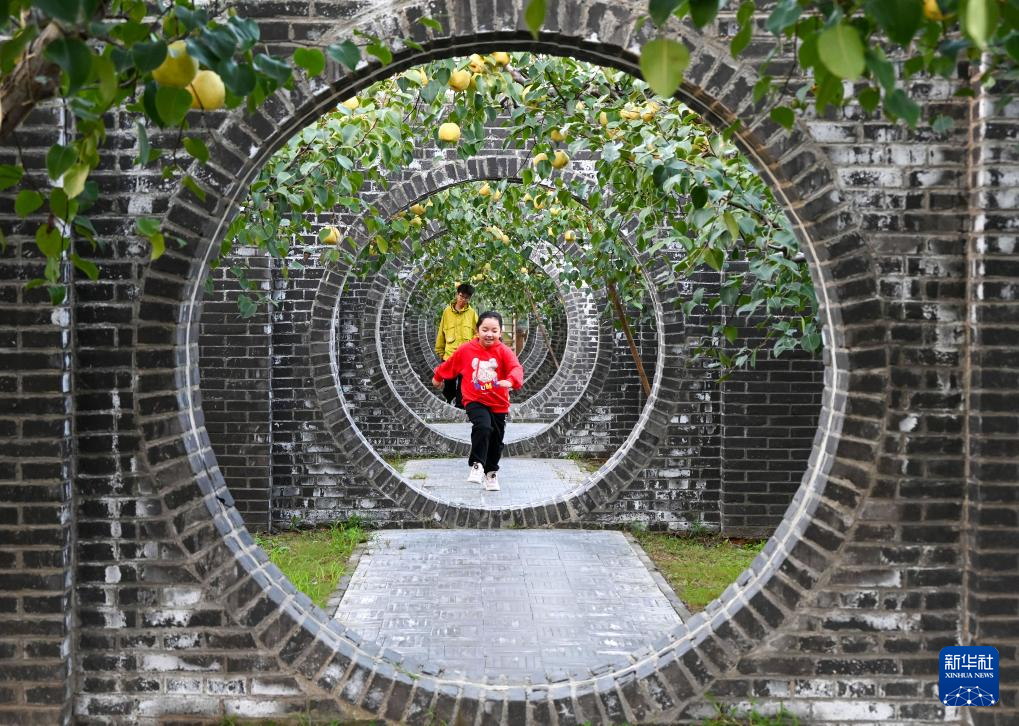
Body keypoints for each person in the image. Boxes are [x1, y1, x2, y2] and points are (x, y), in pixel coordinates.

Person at [432, 311, 523, 491]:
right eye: (485, 329)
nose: (489, 334)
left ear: (500, 332)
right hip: (475, 399)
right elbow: (450, 364)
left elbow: (516, 368)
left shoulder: (504, 351)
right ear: (477, 330)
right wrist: (438, 376)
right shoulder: (466, 349)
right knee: (483, 426)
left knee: (496, 440)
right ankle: (477, 465)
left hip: (498, 402)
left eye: (494, 330)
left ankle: (490, 474)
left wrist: (511, 380)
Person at [434, 282, 478, 409]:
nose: (463, 300)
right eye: (461, 296)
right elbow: (441, 332)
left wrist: (471, 347)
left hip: (466, 357)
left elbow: (478, 333)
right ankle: (448, 405)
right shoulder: (447, 312)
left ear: (469, 299)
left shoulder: (472, 313)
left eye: (466, 298)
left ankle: (460, 409)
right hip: (449, 356)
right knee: (449, 385)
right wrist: (440, 351)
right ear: (456, 295)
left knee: (463, 385)